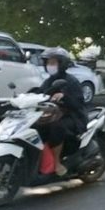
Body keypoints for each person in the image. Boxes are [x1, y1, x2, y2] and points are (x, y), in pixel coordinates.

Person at [36, 47, 88, 176]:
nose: (49, 66)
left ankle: (57, 162)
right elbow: (40, 94)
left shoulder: (71, 81)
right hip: (53, 115)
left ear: (62, 64)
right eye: (48, 63)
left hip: (74, 117)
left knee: (56, 127)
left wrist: (64, 97)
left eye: (53, 63)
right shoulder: (48, 81)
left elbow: (78, 103)